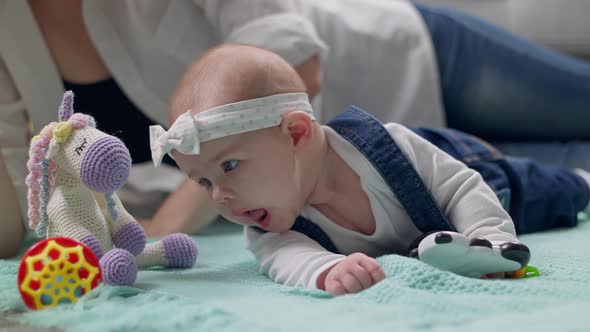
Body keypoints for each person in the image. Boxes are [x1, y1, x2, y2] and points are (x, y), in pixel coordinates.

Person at [2, 0, 590, 258]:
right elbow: (14, 198)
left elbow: (297, 64)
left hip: (411, 60)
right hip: (404, 180)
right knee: (555, 179)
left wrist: (181, 213)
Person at [150, 44, 590, 296]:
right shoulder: (271, 231)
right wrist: (326, 272)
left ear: (298, 133)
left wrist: (493, 238)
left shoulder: (387, 143)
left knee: (554, 190)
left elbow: (461, 187)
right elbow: (287, 261)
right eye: (204, 181)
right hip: (430, 239)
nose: (219, 196)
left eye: (229, 166)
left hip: (477, 172)